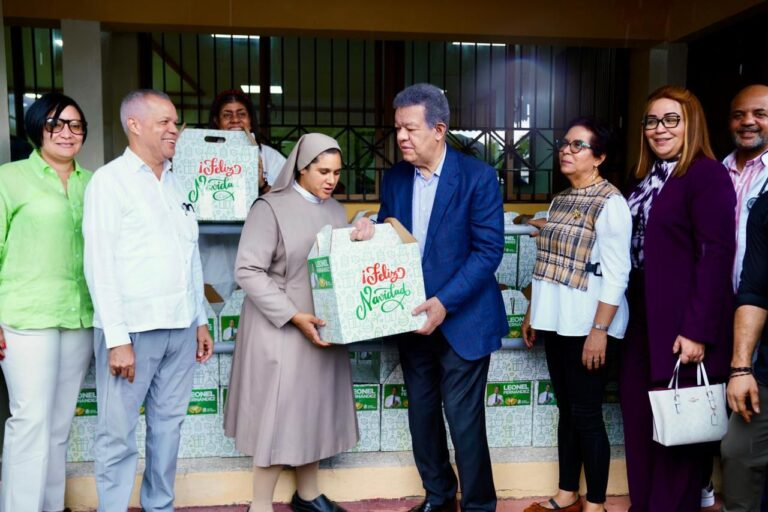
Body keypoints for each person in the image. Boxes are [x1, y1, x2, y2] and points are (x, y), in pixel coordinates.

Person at [223, 133, 374, 512]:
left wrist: (363, 230)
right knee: (277, 416)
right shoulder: (269, 208)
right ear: (300, 168)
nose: (331, 180)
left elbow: (336, 261)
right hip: (280, 327)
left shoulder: (334, 209)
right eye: (323, 171)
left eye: (336, 173)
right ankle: (259, 504)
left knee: (313, 410)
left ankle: (308, 494)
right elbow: (247, 270)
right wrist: (292, 315)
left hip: (321, 324)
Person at [378, 83, 507, 512]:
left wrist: (444, 303)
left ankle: (478, 505)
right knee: (422, 416)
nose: (401, 137)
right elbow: (388, 237)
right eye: (397, 128)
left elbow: (488, 251)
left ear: (438, 129)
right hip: (412, 320)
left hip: (462, 320)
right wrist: (368, 231)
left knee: (465, 421)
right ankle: (438, 496)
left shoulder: (478, 177)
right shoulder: (395, 178)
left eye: (410, 128)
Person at [83, 90, 214, 512]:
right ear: (134, 125)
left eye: (176, 122)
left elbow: (189, 256)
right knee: (117, 434)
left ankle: (160, 506)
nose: (174, 129)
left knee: (168, 428)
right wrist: (117, 338)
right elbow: (98, 264)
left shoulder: (177, 181)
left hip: (180, 328)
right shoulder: (110, 181)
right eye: (164, 122)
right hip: (132, 332)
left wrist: (200, 319)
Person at [621, 85, 736, 512]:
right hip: (640, 321)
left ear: (692, 124)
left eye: (671, 119)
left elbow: (715, 255)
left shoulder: (706, 174)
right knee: (641, 422)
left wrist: (696, 329)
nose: (659, 129)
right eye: (651, 121)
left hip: (681, 324)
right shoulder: (645, 177)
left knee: (679, 430)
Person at [521, 117, 631, 512]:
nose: (566, 150)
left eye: (578, 145)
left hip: (590, 325)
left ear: (599, 157)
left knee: (586, 413)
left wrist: (599, 331)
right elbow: (548, 263)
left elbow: (618, 274)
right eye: (565, 144)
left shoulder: (611, 204)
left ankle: (596, 503)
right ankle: (568, 491)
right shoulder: (562, 200)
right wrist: (534, 311)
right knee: (566, 411)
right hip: (557, 322)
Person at [0, 92, 94, 512]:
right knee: (30, 423)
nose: (66, 132)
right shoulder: (9, 179)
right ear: (38, 127)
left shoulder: (94, 183)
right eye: (56, 124)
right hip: (24, 316)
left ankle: (51, 506)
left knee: (58, 426)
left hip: (79, 316)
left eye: (75, 125)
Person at [701, 83, 768, 510]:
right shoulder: (712, 172)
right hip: (722, 311)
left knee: (746, 435)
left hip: (759, 308)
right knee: (720, 421)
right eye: (739, 114)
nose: (748, 122)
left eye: (760, 113)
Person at [200, 89, 289, 300]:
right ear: (216, 120)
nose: (235, 120)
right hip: (213, 256)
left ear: (250, 120)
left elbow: (289, 206)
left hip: (260, 258)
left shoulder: (269, 158)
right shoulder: (200, 156)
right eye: (227, 114)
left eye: (241, 114)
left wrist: (263, 185)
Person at [721, 192, 768, 512]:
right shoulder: (765, 207)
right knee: (738, 449)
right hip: (766, 368)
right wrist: (741, 368)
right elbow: (754, 289)